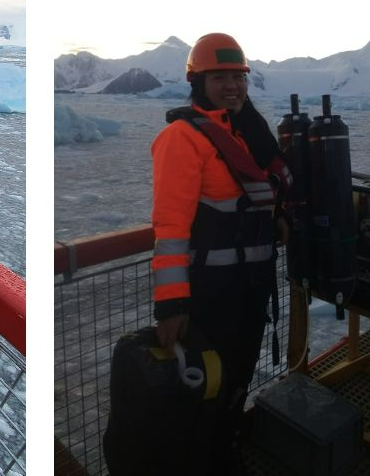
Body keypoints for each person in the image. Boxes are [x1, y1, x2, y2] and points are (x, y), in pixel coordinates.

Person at [150, 33, 290, 474]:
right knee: (207, 384)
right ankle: (201, 459)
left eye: (238, 77)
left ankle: (224, 449)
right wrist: (171, 304)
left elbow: (260, 198)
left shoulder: (248, 133)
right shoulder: (182, 138)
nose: (232, 86)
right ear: (197, 82)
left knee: (235, 379)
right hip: (211, 295)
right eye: (220, 78)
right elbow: (171, 228)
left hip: (251, 288)